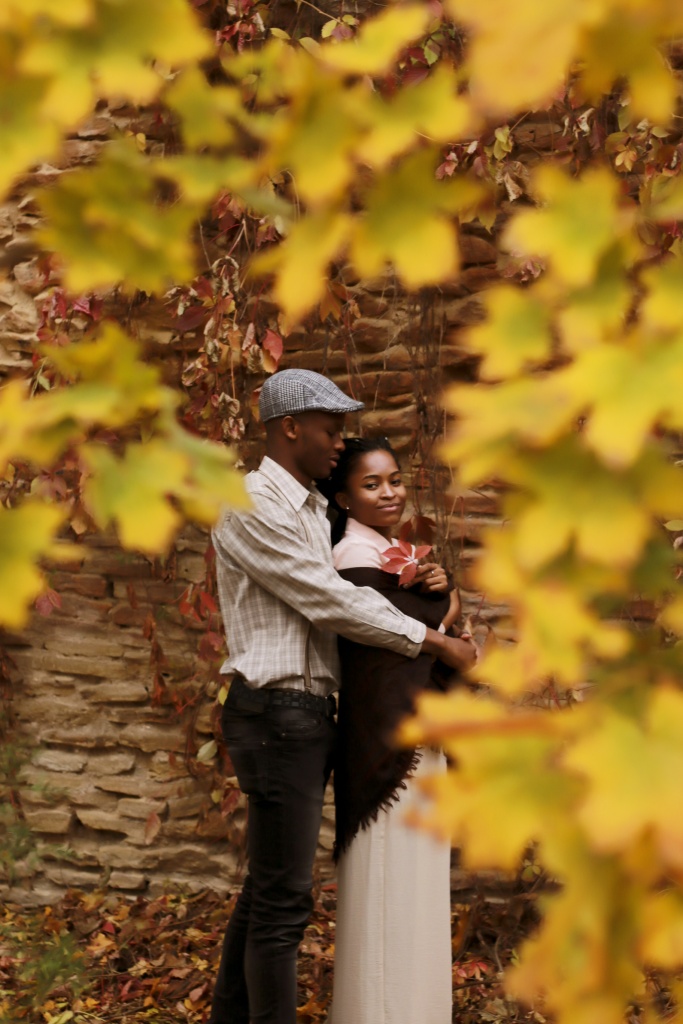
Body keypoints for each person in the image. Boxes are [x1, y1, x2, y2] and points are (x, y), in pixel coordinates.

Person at [208, 369, 476, 1024]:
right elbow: (330, 600)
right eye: (330, 429)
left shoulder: (314, 510)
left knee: (266, 891)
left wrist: (430, 582)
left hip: (304, 714)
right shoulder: (249, 503)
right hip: (275, 711)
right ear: (289, 427)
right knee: (283, 904)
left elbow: (373, 569)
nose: (339, 443)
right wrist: (435, 642)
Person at [318, 436, 467, 1024]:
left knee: (418, 889)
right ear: (344, 498)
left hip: (417, 740)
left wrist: (442, 597)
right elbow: (401, 632)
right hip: (386, 748)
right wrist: (447, 609)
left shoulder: (393, 554)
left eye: (395, 480)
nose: (389, 493)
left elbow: (430, 625)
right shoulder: (350, 556)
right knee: (392, 892)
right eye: (371, 484)